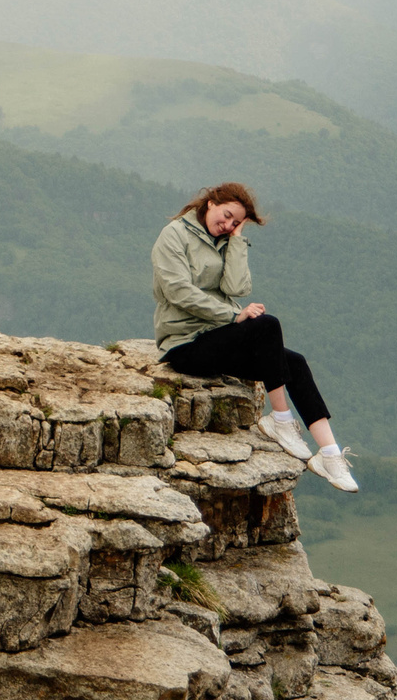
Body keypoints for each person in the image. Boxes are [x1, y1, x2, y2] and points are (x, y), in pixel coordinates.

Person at [150, 181, 357, 492]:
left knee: (295, 362)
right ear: (211, 203)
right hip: (185, 344)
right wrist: (234, 316)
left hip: (218, 337)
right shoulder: (174, 235)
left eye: (235, 222)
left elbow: (236, 289)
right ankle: (280, 420)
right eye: (226, 215)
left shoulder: (224, 238)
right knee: (266, 325)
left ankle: (329, 455)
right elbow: (178, 292)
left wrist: (235, 241)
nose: (228, 224)